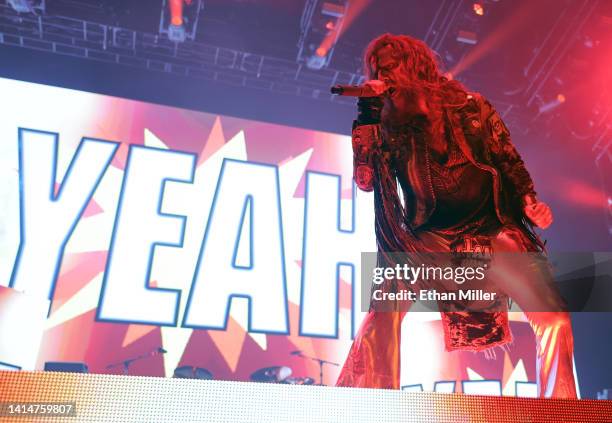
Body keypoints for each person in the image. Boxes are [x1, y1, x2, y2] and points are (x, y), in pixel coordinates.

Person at [335, 33, 577, 398]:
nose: (383, 71)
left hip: (492, 233)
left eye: (391, 63)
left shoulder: (471, 107)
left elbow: (507, 158)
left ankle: (561, 410)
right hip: (430, 239)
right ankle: (376, 401)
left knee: (554, 317)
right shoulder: (386, 124)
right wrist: (367, 114)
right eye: (377, 67)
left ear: (417, 65)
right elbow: (366, 180)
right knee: (385, 305)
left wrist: (529, 200)